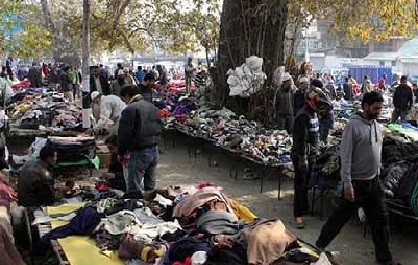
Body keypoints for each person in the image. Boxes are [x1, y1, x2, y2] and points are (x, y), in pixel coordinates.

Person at [316, 91, 397, 265]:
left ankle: (385, 260)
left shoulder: (375, 124)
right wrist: (347, 184)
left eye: (380, 108)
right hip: (356, 184)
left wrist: (379, 171)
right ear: (365, 106)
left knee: (381, 222)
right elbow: (345, 157)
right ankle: (319, 247)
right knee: (339, 218)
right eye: (375, 108)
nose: (378, 111)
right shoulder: (352, 126)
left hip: (374, 183)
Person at [291, 87, 330, 228]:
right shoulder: (303, 116)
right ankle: (297, 215)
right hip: (302, 155)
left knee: (307, 184)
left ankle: (304, 206)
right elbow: (300, 141)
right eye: (319, 104)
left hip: (311, 154)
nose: (321, 108)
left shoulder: (313, 115)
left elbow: (315, 136)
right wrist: (303, 159)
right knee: (300, 185)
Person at [118, 85, 162, 193]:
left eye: (123, 99)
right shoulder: (152, 106)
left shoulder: (130, 109)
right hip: (154, 149)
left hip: (139, 151)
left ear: (127, 96)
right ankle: (150, 206)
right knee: (150, 187)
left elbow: (124, 134)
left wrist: (121, 152)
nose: (124, 102)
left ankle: (137, 208)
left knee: (134, 188)